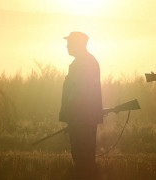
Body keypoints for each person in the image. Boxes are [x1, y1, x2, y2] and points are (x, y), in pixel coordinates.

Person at [59, 32, 103, 179]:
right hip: (81, 118)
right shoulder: (85, 62)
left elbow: (79, 93)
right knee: (83, 157)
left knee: (82, 158)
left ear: (78, 44)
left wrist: (73, 117)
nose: (67, 46)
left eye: (70, 43)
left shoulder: (83, 63)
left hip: (81, 118)